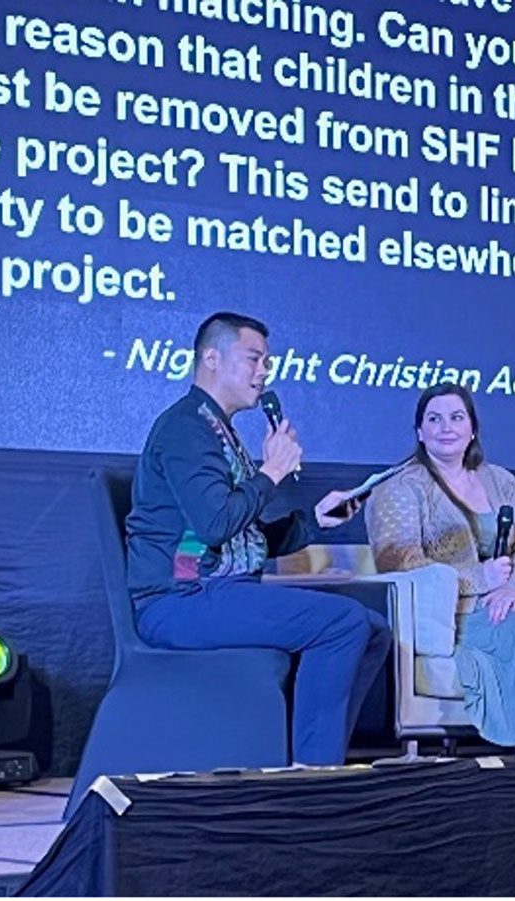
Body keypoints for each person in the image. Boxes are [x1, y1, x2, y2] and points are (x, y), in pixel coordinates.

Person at [126, 312, 391, 766]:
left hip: (215, 589)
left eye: (267, 361)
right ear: (211, 357)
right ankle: (311, 775)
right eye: (253, 358)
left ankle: (315, 757)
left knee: (373, 629)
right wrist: (270, 472)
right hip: (179, 599)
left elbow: (237, 538)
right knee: (343, 622)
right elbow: (214, 525)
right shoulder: (185, 428)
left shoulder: (218, 430)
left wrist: (312, 521)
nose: (263, 371)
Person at [366, 384, 515, 755]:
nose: (445, 427)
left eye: (456, 417)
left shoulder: (498, 478)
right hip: (456, 615)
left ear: (472, 429)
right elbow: (398, 562)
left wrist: (512, 589)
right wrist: (480, 578)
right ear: (420, 431)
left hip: (511, 602)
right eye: (433, 419)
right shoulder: (399, 488)